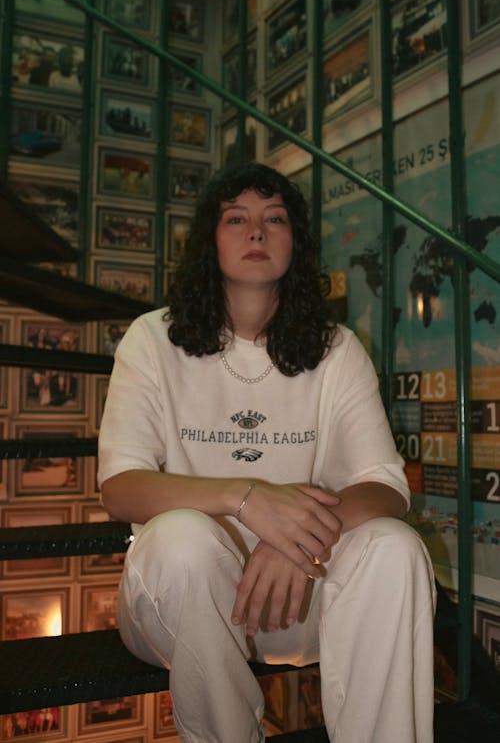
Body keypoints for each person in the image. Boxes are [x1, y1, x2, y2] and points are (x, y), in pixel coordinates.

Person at [98, 162, 436, 743]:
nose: (256, 232)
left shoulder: (337, 349)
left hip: (301, 597)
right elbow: (120, 488)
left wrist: (298, 536)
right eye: (237, 218)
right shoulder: (152, 338)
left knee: (395, 547)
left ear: (295, 243)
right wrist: (248, 500)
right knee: (181, 537)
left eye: (274, 218)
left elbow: (385, 487)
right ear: (211, 240)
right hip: (185, 612)